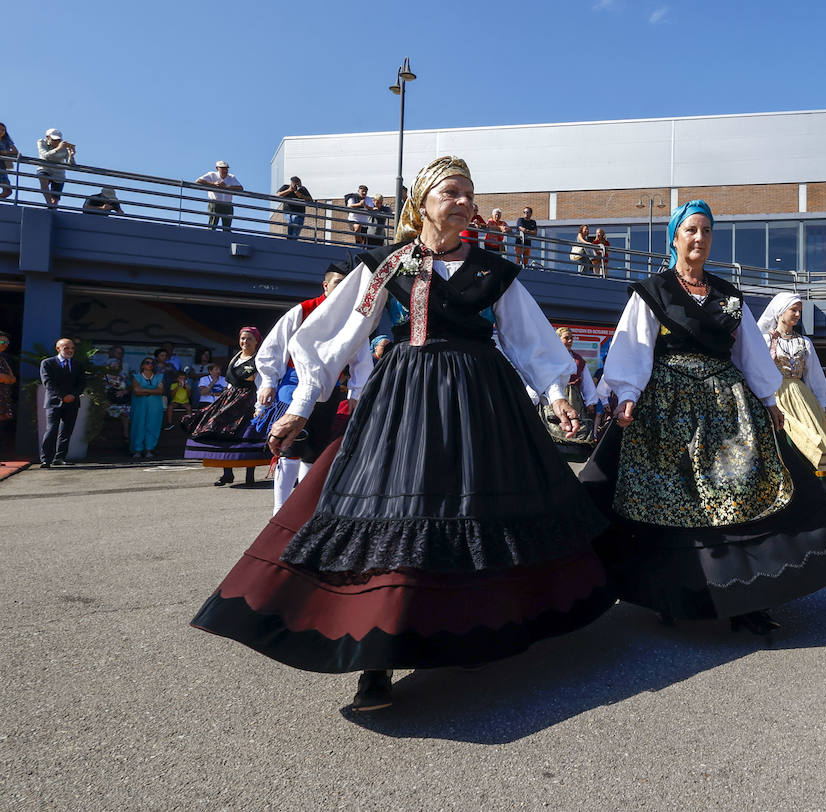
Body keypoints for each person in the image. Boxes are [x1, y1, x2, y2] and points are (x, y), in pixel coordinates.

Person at [191, 156, 612, 713]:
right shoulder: (389, 265)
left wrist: (557, 397)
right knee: (389, 516)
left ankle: (472, 632)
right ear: (421, 204)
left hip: (482, 404)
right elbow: (332, 337)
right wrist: (297, 406)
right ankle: (375, 659)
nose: (462, 202)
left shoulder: (494, 271)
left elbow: (531, 342)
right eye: (450, 192)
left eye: (469, 193)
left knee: (477, 517)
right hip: (406, 400)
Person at [580, 199, 826, 639]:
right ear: (675, 238)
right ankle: (673, 594)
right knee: (673, 501)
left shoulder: (729, 296)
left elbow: (751, 353)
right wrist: (626, 394)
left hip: (726, 409)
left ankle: (748, 598)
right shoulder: (652, 292)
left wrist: (770, 401)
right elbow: (634, 349)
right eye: (691, 231)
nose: (699, 238)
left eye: (706, 231)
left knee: (739, 495)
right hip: (668, 411)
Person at [254, 262, 373, 515]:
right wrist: (267, 381)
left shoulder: (352, 318)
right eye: (338, 284)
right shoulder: (303, 310)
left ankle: (303, 508)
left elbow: (361, 359)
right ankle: (280, 509)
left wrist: (355, 392)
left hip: (328, 390)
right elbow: (274, 346)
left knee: (315, 450)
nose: (343, 290)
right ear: (325, 285)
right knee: (289, 446)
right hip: (293, 386)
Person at [755, 292, 826, 475]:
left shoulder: (805, 342)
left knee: (808, 440)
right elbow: (757, 372)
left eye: (799, 311)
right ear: (780, 312)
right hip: (773, 394)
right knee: (782, 439)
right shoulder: (764, 340)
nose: (797, 315)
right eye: (793, 310)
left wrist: (822, 406)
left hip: (801, 398)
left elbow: (815, 376)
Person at [183, 328, 269, 486]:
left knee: (247, 435)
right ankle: (227, 474)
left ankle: (250, 475)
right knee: (220, 429)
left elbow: (261, 384)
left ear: (257, 341)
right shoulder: (236, 357)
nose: (245, 341)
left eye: (249, 339)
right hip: (229, 398)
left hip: (248, 400)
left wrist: (259, 407)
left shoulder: (259, 360)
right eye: (243, 338)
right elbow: (230, 381)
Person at [542, 327, 597, 460]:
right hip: (554, 396)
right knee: (552, 423)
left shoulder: (578, 359)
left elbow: (587, 382)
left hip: (574, 397)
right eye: (566, 338)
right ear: (558, 339)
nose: (570, 341)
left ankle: (573, 452)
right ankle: (551, 452)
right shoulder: (551, 357)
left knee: (575, 424)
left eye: (571, 338)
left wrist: (591, 401)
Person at [39, 338, 86, 467]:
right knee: (52, 429)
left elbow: (82, 382)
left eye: (72, 348)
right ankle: (45, 459)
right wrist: (62, 396)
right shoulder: (47, 363)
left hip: (72, 402)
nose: (70, 351)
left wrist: (73, 395)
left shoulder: (78, 364)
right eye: (66, 348)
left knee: (66, 431)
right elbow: (48, 382)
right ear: (58, 348)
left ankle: (60, 458)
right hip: (54, 402)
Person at [129, 357, 164, 459]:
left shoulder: (159, 377)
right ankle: (137, 450)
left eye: (152, 363)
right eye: (147, 362)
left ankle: (149, 449)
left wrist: (144, 391)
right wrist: (153, 390)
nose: (150, 364)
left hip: (155, 406)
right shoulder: (136, 377)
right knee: (138, 425)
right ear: (142, 365)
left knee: (153, 426)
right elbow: (136, 391)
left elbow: (161, 391)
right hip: (140, 406)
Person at [196, 161, 241, 231]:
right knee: (212, 225)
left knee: (227, 227)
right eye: (222, 168)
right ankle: (210, 237)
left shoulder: (231, 177)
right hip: (215, 203)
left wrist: (227, 187)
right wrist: (214, 184)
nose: (225, 170)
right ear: (217, 168)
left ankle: (226, 239)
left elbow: (240, 188)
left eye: (226, 168)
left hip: (227, 204)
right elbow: (198, 181)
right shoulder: (212, 174)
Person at [37, 129, 76, 207]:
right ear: (47, 137)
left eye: (58, 140)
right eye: (54, 139)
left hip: (59, 172)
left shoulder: (65, 147)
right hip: (45, 168)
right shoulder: (41, 142)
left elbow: (72, 165)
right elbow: (45, 155)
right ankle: (49, 204)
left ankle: (52, 208)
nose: (56, 141)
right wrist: (58, 148)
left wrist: (71, 155)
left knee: (55, 198)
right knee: (43, 180)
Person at [103, 358, 132, 445]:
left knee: (126, 414)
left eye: (117, 365)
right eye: (113, 365)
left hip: (122, 402)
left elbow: (130, 388)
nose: (116, 366)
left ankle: (126, 436)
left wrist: (125, 391)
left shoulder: (123, 376)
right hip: (108, 402)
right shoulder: (104, 377)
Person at [276, 176, 313, 241]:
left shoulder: (303, 189)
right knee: (294, 219)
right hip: (289, 212)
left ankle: (290, 240)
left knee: (296, 226)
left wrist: (301, 195)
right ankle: (292, 240)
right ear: (292, 183)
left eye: (299, 184)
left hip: (301, 213)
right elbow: (278, 195)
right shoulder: (286, 187)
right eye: (295, 184)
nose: (297, 186)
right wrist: (289, 190)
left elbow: (310, 200)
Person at [0, 332, 15, 440]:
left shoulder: (3, 359)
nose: (5, 344)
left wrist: (5, 378)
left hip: (2, 400)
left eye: (7, 342)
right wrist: (4, 378)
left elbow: (12, 379)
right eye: (2, 341)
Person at [0, 122, 19, 199]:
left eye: (3, 130)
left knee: (8, 191)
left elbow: (16, 152)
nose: (1, 131)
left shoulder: (6, 141)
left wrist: (3, 152)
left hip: (2, 167)